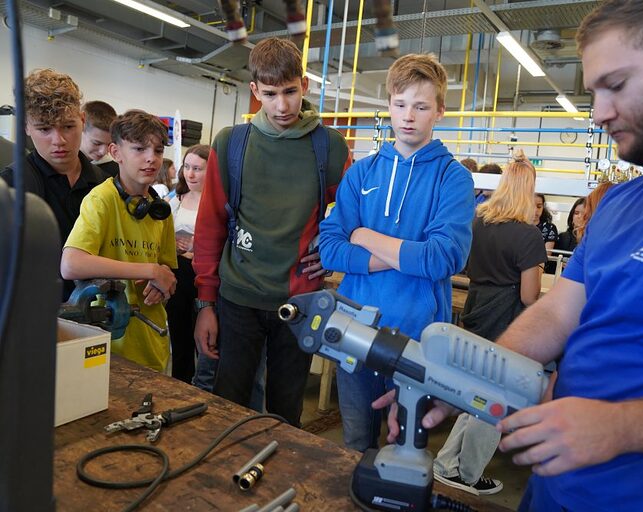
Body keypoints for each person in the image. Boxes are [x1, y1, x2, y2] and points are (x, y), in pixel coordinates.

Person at [375, 1, 643, 510]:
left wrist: (620, 427)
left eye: (617, 85)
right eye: (594, 91)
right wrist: (460, 379)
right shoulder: (623, 203)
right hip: (554, 487)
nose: (600, 112)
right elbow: (557, 314)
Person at [319, 53, 475, 452]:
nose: (409, 116)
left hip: (417, 342)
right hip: (355, 332)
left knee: (403, 449)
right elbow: (329, 249)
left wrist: (364, 234)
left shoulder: (453, 178)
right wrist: (405, 256)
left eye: (421, 107)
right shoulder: (362, 173)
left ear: (439, 110)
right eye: (400, 104)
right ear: (389, 103)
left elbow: (442, 259)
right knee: (353, 443)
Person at [192, 37, 350, 428]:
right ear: (254, 91)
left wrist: (330, 247)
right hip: (238, 298)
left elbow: (352, 215)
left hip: (299, 302)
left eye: (291, 92)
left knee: (286, 411)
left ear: (305, 86)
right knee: (229, 407)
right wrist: (205, 304)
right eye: (270, 94)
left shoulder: (328, 147)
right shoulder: (232, 144)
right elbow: (210, 225)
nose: (282, 105)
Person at [432, 149, 546, 496]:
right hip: (506, 319)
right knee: (496, 400)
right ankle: (468, 475)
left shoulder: (478, 221)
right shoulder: (528, 236)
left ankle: (445, 463)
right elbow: (529, 297)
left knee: (473, 393)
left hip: (477, 308)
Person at [61, 109, 177, 372]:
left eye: (158, 151)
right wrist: (149, 270)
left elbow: (166, 270)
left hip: (149, 342)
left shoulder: (159, 211)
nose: (151, 159)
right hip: (107, 344)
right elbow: (71, 264)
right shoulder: (101, 199)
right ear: (115, 153)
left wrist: (163, 282)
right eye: (139, 149)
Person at [0, 69, 109, 301]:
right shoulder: (11, 186)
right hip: (31, 316)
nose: (58, 140)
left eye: (68, 127)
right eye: (44, 129)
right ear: (26, 127)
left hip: (98, 318)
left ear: (82, 121)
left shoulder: (104, 185)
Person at [166, 145, 209, 384]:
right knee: (180, 337)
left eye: (198, 169)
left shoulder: (216, 204)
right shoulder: (176, 200)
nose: (190, 174)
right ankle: (180, 385)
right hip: (179, 274)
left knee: (204, 340)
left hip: (205, 275)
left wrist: (196, 247)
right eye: (187, 167)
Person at [81, 100, 119, 177]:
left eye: (109, 144)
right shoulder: (59, 162)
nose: (103, 152)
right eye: (97, 143)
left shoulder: (116, 173)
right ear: (80, 128)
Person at [534, 193, 558, 274]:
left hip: (540, 271)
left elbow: (546, 254)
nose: (535, 210)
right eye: (531, 206)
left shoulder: (549, 228)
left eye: (539, 206)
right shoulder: (518, 226)